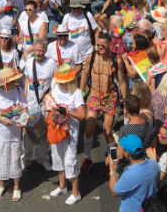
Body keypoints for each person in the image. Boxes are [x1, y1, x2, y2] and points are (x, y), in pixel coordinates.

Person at [0, 67, 28, 202]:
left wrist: (24, 115)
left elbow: (24, 106)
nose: (14, 83)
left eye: (14, 81)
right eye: (11, 82)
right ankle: (1, 184)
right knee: (0, 157)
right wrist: (2, 118)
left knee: (15, 159)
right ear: (3, 83)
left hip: (14, 133)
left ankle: (16, 187)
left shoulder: (19, 90)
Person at [46, 64, 86, 205]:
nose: (62, 84)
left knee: (70, 161)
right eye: (60, 81)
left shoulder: (76, 93)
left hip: (70, 132)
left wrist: (67, 111)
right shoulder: (56, 88)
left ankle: (76, 193)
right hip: (56, 128)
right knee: (57, 157)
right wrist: (48, 101)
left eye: (64, 82)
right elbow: (49, 97)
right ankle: (62, 186)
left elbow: (82, 115)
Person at [79, 32, 116, 175]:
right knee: (89, 131)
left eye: (102, 45)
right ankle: (87, 158)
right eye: (97, 45)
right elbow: (84, 75)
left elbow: (122, 82)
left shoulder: (115, 59)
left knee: (107, 132)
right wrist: (80, 94)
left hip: (109, 97)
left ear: (109, 45)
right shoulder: (92, 56)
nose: (99, 48)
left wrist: (126, 102)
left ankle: (112, 159)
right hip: (94, 96)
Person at [22, 38, 57, 171]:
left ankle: (42, 158)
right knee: (27, 133)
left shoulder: (52, 64)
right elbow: (26, 79)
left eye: (40, 51)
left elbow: (55, 83)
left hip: (44, 103)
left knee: (43, 132)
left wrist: (49, 98)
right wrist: (24, 96)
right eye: (36, 50)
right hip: (29, 103)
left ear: (45, 51)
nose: (38, 53)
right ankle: (26, 158)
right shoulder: (30, 62)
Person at [108, 134, 160, 212]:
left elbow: (114, 192)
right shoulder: (154, 164)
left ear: (127, 154)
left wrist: (112, 170)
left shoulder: (129, 174)